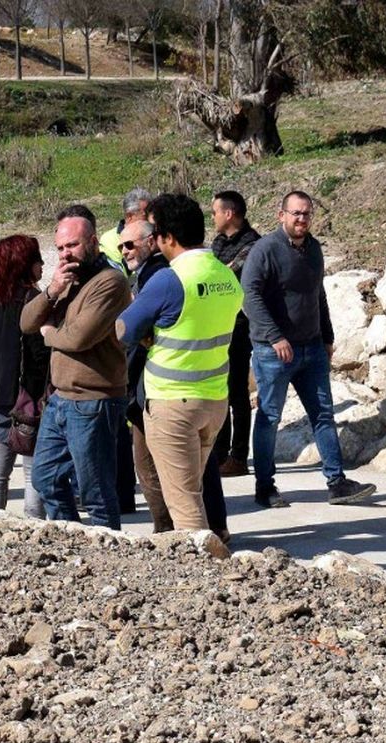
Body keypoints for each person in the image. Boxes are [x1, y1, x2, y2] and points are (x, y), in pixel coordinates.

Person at [241, 191, 376, 508]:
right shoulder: (265, 251)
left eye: (306, 214)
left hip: (312, 348)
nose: (301, 219)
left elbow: (319, 294)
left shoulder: (314, 249)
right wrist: (276, 337)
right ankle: (265, 487)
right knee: (269, 417)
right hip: (274, 352)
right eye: (296, 213)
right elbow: (250, 297)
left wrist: (327, 337)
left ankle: (337, 483)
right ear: (281, 215)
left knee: (323, 414)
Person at [116, 193, 240, 536]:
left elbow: (123, 329)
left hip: (173, 402)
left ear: (169, 238)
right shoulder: (225, 275)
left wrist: (146, 334)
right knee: (194, 490)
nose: (154, 241)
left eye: (156, 234)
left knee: (184, 506)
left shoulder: (170, 279)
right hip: (214, 399)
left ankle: (206, 574)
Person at [21, 214, 131, 529]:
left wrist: (49, 333)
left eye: (72, 245)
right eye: (60, 247)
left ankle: (107, 552)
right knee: (45, 479)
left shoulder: (109, 282)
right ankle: (73, 538)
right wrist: (52, 291)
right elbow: (27, 323)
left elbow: (78, 338)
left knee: (95, 491)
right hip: (60, 399)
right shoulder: (68, 281)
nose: (65, 253)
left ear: (93, 241)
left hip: (94, 401)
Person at [0, 235, 50, 517]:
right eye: (37, 260)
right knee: (33, 472)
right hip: (29, 397)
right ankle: (33, 523)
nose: (41, 265)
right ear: (25, 265)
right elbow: (41, 355)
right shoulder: (36, 301)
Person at [117, 218, 172, 532]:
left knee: (148, 464)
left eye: (130, 244)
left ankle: (167, 529)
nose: (125, 251)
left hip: (151, 386)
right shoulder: (148, 274)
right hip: (152, 384)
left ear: (152, 241)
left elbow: (134, 333)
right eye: (121, 245)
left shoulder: (156, 277)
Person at [209, 189, 261, 478]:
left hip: (240, 328)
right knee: (220, 390)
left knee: (238, 392)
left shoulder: (252, 245)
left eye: (215, 211)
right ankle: (219, 453)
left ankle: (239, 456)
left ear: (229, 213)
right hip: (218, 325)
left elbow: (225, 274)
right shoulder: (219, 242)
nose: (213, 217)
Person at [100, 188, 153, 272]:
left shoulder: (156, 234)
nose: (151, 219)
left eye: (152, 214)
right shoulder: (109, 241)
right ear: (129, 216)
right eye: (145, 215)